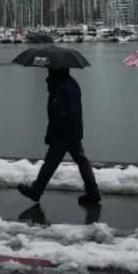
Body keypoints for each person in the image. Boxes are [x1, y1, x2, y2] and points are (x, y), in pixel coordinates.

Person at [18, 67, 101, 205]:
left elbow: (58, 114)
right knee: (81, 160)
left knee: (51, 162)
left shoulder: (60, 88)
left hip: (63, 133)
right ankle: (93, 191)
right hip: (74, 129)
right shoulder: (71, 84)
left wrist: (50, 135)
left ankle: (36, 191)